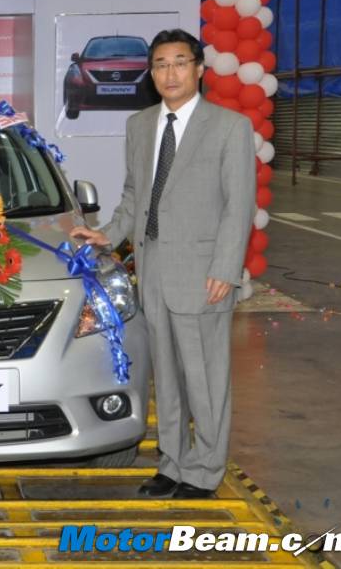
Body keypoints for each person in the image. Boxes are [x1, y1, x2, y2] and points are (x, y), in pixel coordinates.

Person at [71, 29, 255, 499]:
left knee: (205, 380)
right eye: (160, 64)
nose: (170, 73)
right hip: (152, 270)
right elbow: (136, 195)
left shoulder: (229, 127)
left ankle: (205, 470)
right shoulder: (140, 125)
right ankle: (172, 463)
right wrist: (109, 234)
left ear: (198, 69)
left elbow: (239, 205)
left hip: (204, 274)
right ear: (151, 74)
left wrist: (225, 268)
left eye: (179, 62)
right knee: (167, 379)